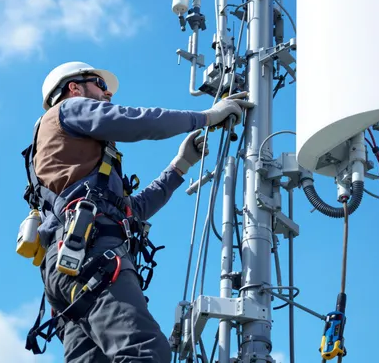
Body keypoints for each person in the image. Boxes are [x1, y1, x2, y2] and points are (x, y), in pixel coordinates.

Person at [24, 61, 253, 362]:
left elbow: (132, 212)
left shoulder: (75, 167)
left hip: (70, 269)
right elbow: (138, 121)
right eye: (100, 85)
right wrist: (206, 117)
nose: (108, 95)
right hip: (90, 255)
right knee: (145, 352)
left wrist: (180, 166)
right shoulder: (69, 110)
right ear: (74, 88)